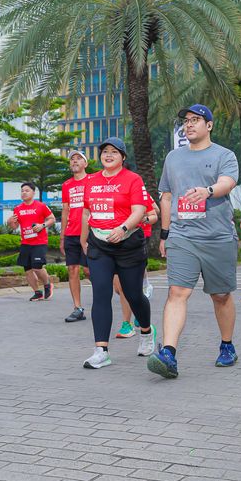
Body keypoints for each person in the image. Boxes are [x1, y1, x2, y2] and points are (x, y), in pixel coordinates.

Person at [147, 104, 239, 379]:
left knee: (221, 296)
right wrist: (165, 234)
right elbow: (166, 197)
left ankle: (227, 345)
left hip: (217, 236)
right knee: (177, 292)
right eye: (186, 121)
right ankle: (168, 354)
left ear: (209, 125)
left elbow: (228, 183)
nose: (188, 124)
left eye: (195, 120)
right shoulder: (173, 158)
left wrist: (208, 191)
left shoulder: (224, 155)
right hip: (182, 235)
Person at [80, 137, 156, 368]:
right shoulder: (91, 181)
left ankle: (146, 331)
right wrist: (84, 239)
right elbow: (86, 212)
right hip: (99, 245)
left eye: (114, 151)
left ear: (123, 157)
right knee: (101, 294)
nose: (108, 155)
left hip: (128, 244)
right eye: (105, 151)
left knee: (133, 295)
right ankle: (101, 350)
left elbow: (140, 211)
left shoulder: (133, 179)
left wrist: (123, 229)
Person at [115, 194, 159, 338]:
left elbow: (155, 211)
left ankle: (127, 324)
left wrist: (141, 217)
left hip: (137, 237)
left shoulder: (139, 192)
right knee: (119, 288)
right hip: (113, 239)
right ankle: (140, 305)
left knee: (126, 286)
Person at [8, 182, 56, 301]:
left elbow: (52, 219)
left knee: (37, 267)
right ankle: (37, 292)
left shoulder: (41, 206)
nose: (24, 193)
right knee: (28, 270)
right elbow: (14, 227)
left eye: (27, 190)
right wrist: (10, 222)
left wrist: (42, 225)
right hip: (25, 243)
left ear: (33, 193)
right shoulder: (18, 208)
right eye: (22, 191)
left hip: (39, 242)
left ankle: (47, 284)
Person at [60, 150, 90, 322]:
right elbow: (65, 210)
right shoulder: (66, 185)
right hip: (71, 233)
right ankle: (77, 308)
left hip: (89, 232)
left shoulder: (93, 180)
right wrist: (62, 237)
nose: (75, 161)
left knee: (88, 270)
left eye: (79, 158)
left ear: (85, 164)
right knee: (72, 269)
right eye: (72, 159)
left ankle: (103, 297)